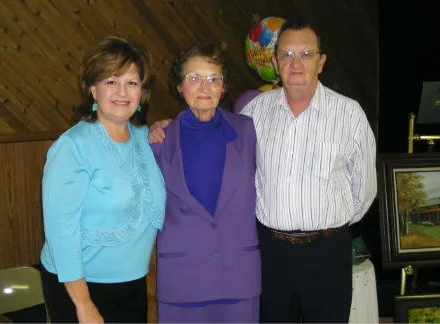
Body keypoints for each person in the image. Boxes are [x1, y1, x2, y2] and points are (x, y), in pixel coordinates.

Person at [149, 22, 377, 323]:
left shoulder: (350, 115)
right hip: (272, 256)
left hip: (327, 253)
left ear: (321, 62)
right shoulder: (253, 115)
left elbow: (365, 190)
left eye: (306, 54)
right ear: (275, 62)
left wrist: (326, 228)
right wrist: (160, 126)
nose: (296, 63)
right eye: (287, 54)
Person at [39, 36, 166, 323]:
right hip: (79, 285)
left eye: (132, 82)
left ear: (142, 92)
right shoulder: (73, 146)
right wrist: (83, 304)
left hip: (132, 283)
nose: (122, 91)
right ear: (92, 89)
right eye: (111, 81)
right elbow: (61, 233)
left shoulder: (145, 139)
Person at [150, 42, 260, 323]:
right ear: (179, 86)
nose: (204, 87)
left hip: (238, 277)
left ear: (223, 87)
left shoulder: (248, 130)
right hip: (182, 281)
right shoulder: (159, 143)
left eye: (213, 78)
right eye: (194, 78)